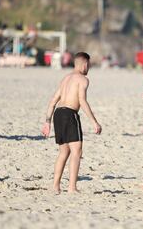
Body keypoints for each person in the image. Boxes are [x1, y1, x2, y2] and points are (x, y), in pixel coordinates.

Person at [41, 52, 102, 193]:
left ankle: (55, 186)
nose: (89, 68)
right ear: (85, 64)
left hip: (58, 114)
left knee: (63, 152)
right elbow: (82, 101)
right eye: (89, 65)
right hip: (69, 114)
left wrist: (47, 122)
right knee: (76, 151)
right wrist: (94, 122)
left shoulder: (65, 79)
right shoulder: (83, 79)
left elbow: (53, 100)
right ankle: (72, 187)